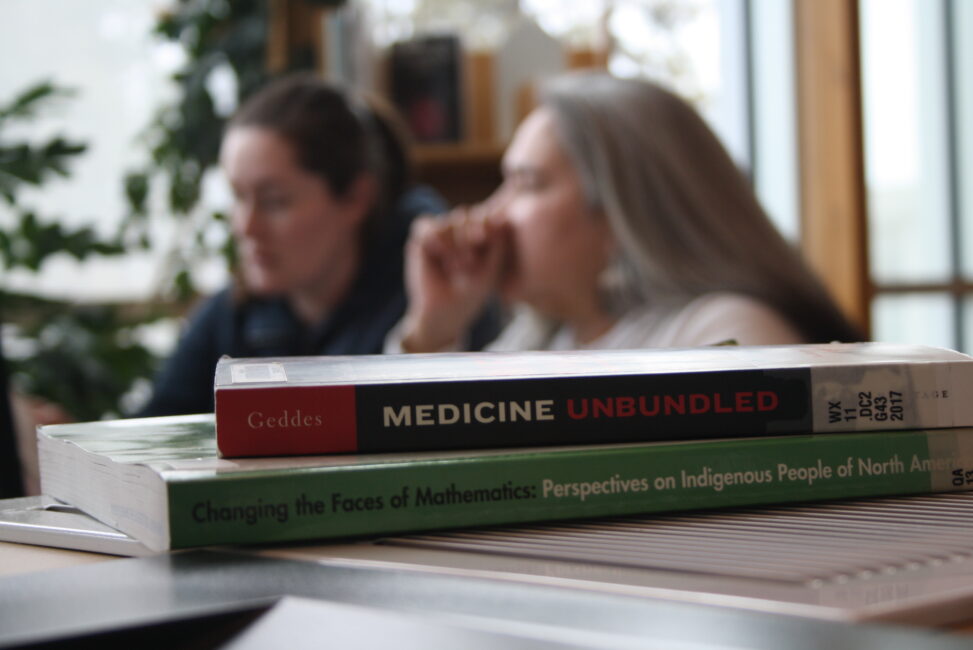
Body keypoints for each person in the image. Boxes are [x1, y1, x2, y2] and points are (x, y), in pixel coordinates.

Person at [391, 71, 862, 354]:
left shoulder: (727, 336)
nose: (493, 214)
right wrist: (432, 328)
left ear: (624, 213)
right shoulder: (542, 341)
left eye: (527, 184)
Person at [140, 74, 455, 416]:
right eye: (237, 197)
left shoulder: (437, 303)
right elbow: (154, 427)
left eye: (274, 201)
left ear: (355, 197)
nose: (246, 226)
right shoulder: (233, 313)